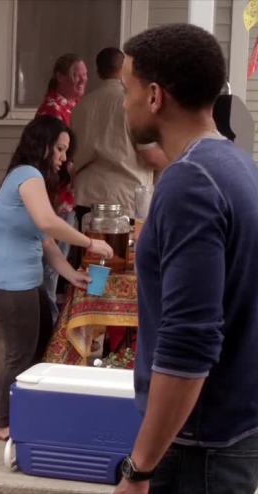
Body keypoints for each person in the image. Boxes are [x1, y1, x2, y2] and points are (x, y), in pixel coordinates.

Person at [114, 24, 258, 494]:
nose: (124, 104)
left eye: (127, 91)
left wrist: (139, 470)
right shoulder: (239, 167)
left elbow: (189, 341)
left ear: (155, 96)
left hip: (198, 450)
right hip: (233, 430)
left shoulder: (190, 182)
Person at [0, 116, 113, 442]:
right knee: (19, 356)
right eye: (60, 149)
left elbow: (46, 241)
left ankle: (27, 414)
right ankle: (2, 423)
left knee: (39, 350)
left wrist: (70, 274)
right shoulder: (27, 174)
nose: (64, 158)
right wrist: (90, 243)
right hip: (10, 285)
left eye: (66, 151)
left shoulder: (31, 180)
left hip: (26, 283)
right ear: (43, 145)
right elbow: (48, 223)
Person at [71, 47, 157, 219]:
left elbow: (73, 153)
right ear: (125, 69)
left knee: (85, 238)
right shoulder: (134, 105)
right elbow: (151, 155)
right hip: (125, 198)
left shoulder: (81, 106)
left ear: (98, 72)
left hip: (87, 197)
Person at [35, 53, 88, 323]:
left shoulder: (75, 107)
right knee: (51, 265)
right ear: (60, 77)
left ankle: (50, 319)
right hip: (56, 197)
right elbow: (51, 160)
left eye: (85, 75)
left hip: (68, 196)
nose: (82, 80)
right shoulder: (52, 110)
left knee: (58, 262)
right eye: (76, 75)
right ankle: (47, 323)